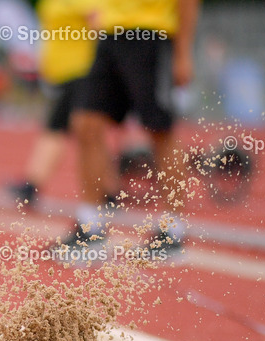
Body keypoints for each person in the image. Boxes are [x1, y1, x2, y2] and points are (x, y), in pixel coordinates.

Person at [59, 0, 200, 255]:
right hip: (110, 35)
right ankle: (92, 226)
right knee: (86, 124)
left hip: (151, 35)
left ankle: (173, 229)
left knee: (160, 130)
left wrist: (183, 52)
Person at [10, 0, 106, 210]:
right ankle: (109, 188)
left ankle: (32, 184)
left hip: (82, 71)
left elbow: (100, 24)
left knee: (59, 127)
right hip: (64, 74)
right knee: (84, 132)